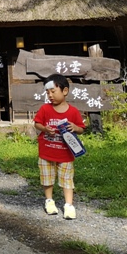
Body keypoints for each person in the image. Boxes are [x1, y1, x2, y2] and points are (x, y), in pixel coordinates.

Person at [33, 73, 86, 220]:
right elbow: (37, 123)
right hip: (46, 152)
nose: (50, 95)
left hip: (66, 154)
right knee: (47, 178)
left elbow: (81, 129)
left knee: (67, 179)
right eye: (47, 92)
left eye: (53, 91)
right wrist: (44, 129)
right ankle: (49, 201)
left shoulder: (73, 112)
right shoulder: (45, 109)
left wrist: (75, 127)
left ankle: (69, 205)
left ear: (65, 91)